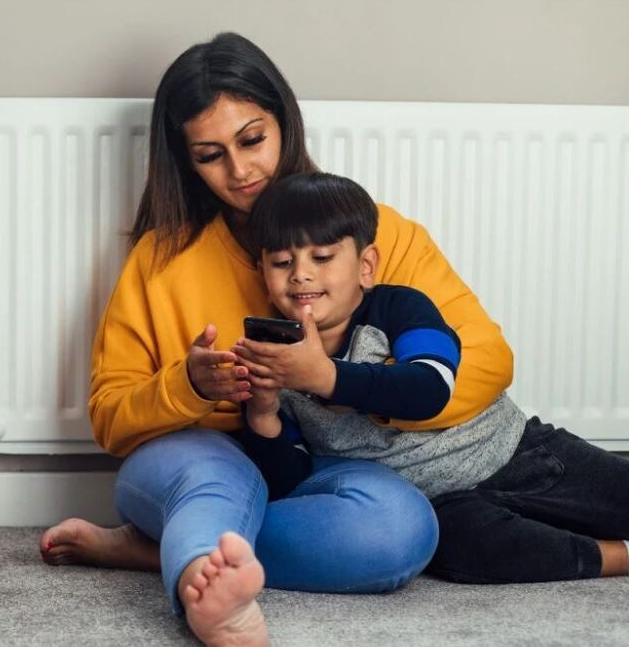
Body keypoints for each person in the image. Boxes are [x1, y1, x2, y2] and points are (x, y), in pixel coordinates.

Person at [39, 32, 515, 647]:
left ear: (285, 122)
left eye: (253, 139)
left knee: (404, 530)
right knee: (218, 477)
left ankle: (165, 547)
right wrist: (190, 387)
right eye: (210, 154)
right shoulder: (159, 260)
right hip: (203, 456)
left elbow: (487, 359)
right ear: (186, 160)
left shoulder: (373, 232)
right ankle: (204, 595)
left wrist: (336, 385)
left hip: (318, 461)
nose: (240, 172)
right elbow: (108, 414)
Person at [236, 171, 629, 593]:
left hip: (515, 452)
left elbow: (430, 387)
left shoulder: (401, 307)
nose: (300, 274)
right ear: (263, 271)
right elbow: (291, 479)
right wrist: (262, 416)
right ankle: (617, 556)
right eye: (282, 263)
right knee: (465, 553)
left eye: (322, 258)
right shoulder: (275, 356)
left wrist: (329, 377)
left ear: (365, 266)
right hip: (443, 504)